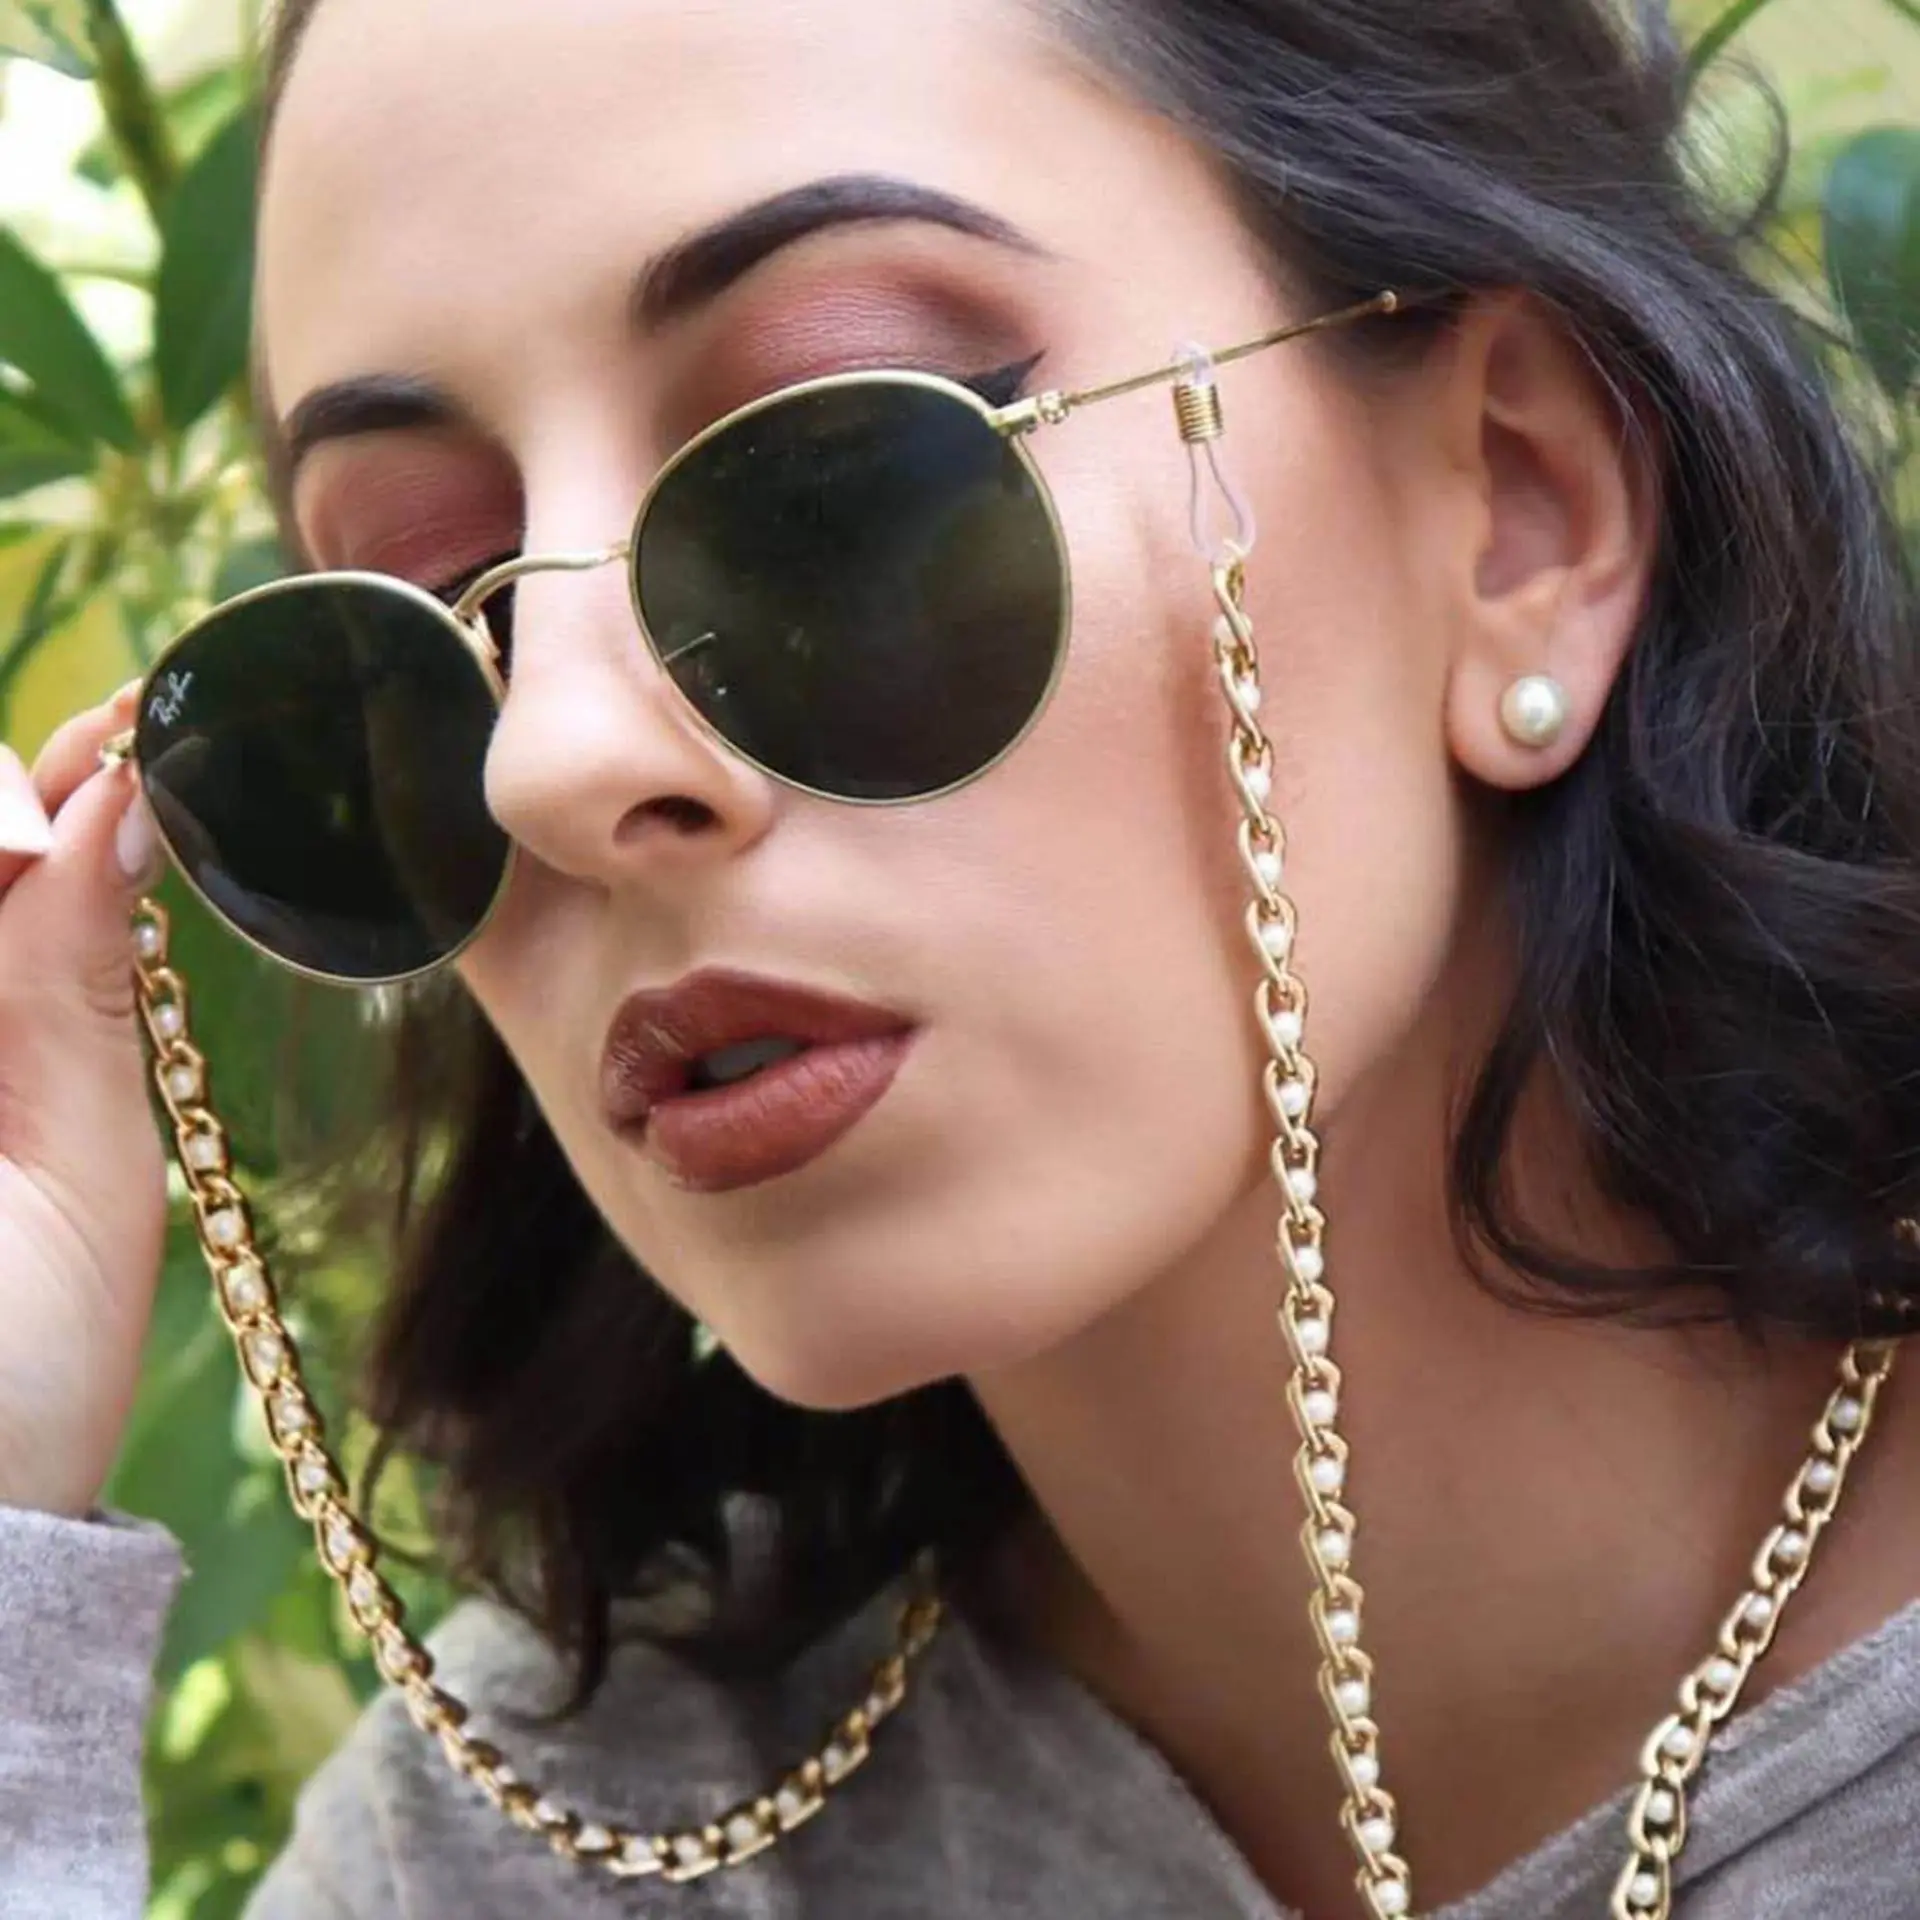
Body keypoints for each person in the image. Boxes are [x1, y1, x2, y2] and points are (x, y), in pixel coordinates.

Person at [5, 0, 1920, 1914]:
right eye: (427, 612)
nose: (553, 761)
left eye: (832, 469)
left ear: (1517, 511)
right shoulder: (566, 1856)